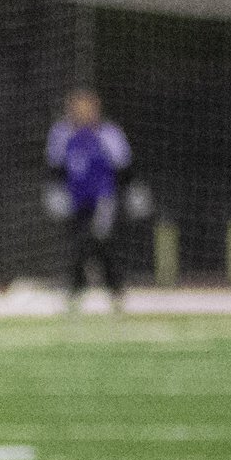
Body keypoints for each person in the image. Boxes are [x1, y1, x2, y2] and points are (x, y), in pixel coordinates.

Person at [48, 87, 131, 310]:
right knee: (80, 243)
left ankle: (106, 290)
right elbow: (55, 168)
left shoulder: (109, 134)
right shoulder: (61, 133)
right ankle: (84, 290)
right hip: (76, 200)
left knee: (98, 242)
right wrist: (56, 193)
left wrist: (129, 194)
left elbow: (124, 168)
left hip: (103, 201)